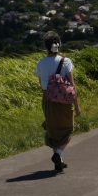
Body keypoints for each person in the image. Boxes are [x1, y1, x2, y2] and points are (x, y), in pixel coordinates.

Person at [35, 31, 81, 172]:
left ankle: (57, 160)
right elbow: (72, 86)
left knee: (53, 131)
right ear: (58, 45)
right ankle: (58, 155)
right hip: (64, 101)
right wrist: (77, 106)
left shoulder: (40, 63)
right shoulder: (65, 61)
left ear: (46, 46)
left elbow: (42, 86)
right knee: (68, 128)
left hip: (48, 101)